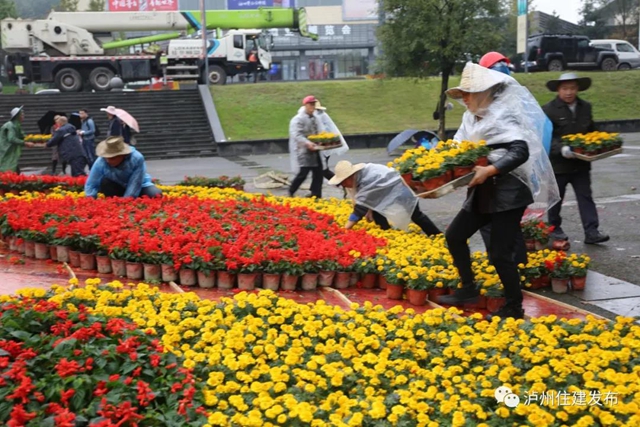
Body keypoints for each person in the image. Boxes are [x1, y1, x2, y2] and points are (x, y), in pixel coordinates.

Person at [438, 63, 560, 320]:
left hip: (508, 194)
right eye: (463, 94)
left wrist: (490, 170)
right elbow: (458, 149)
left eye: (469, 93)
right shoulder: (470, 117)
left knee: (500, 254)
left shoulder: (503, 116)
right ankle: (468, 289)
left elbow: (520, 151)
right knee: (455, 236)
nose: (465, 99)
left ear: (486, 92)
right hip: (483, 192)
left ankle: (514, 306)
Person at [542, 73, 609, 245]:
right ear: (558, 90)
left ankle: (592, 231)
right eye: (565, 88)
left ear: (577, 89)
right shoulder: (548, 109)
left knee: (585, 196)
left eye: (572, 88)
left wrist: (603, 142)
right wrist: (560, 148)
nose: (569, 92)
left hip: (581, 163)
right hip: (559, 165)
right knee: (556, 198)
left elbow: (592, 130)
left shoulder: (585, 107)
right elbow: (546, 137)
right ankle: (554, 229)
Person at [476, 52, 528, 267]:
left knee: (499, 228)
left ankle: (512, 272)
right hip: (502, 178)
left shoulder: (501, 110)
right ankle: (517, 270)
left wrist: (490, 168)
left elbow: (518, 149)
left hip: (505, 179)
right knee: (507, 228)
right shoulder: (508, 102)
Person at [327, 160, 441, 235]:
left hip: (401, 189)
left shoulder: (368, 178)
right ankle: (386, 232)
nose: (342, 185)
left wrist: (345, 230)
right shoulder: (360, 176)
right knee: (378, 211)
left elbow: (359, 210)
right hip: (388, 193)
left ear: (349, 177)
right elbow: (372, 199)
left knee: (416, 216)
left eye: (342, 182)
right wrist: (370, 211)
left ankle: (437, 235)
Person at [85, 136, 162, 199]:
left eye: (112, 158)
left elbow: (135, 183)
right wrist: (90, 199)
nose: (108, 160)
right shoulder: (101, 161)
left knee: (155, 194)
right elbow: (91, 182)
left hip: (141, 186)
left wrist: (126, 201)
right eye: (106, 157)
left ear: (122, 155)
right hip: (116, 186)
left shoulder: (136, 158)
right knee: (105, 182)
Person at [289, 96, 324, 198]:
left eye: (314, 104)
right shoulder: (298, 119)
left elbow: (319, 132)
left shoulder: (315, 118)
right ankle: (291, 190)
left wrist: (321, 141)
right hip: (303, 150)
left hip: (315, 149)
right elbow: (296, 134)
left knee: (318, 173)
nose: (312, 106)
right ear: (305, 105)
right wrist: (307, 143)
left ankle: (316, 194)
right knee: (303, 173)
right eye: (310, 104)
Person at [0, 106, 38, 173]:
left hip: (11, 152)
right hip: (6, 151)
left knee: (14, 168)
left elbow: (23, 136)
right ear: (17, 116)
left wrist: (35, 140)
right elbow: (11, 139)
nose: (23, 116)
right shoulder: (10, 125)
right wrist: (25, 143)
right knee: (7, 168)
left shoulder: (17, 126)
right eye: (22, 115)